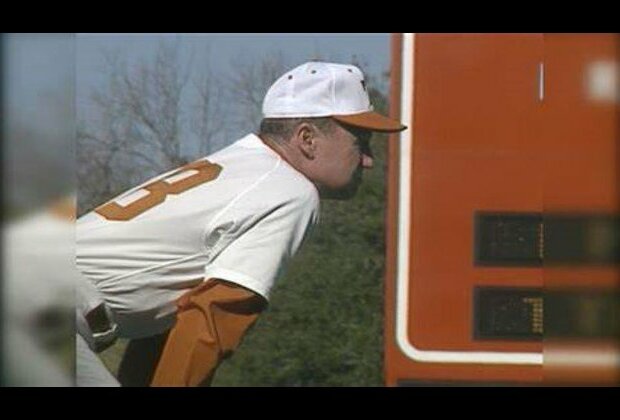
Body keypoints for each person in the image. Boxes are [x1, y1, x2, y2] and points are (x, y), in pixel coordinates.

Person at [75, 61, 407, 387]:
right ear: (307, 138)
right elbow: (215, 315)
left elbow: (174, 324)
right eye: (359, 141)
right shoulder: (291, 190)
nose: (368, 159)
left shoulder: (240, 165)